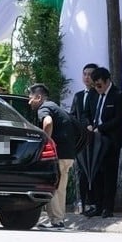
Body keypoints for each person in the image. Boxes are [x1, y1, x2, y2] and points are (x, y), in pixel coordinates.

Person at [28, 83, 76, 229]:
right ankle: (59, 220)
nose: (29, 102)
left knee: (52, 186)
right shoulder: (55, 107)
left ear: (38, 97)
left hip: (58, 154)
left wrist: (45, 141)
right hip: (68, 154)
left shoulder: (44, 108)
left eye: (30, 98)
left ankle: (55, 220)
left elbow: (48, 122)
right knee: (60, 188)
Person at [87, 67, 122, 218]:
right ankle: (97, 205)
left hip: (111, 140)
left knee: (109, 174)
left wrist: (101, 128)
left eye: (99, 85)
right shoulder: (94, 94)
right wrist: (89, 125)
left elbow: (119, 119)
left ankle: (108, 207)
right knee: (96, 173)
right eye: (95, 85)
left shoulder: (118, 95)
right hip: (95, 139)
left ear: (107, 81)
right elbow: (87, 113)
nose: (97, 88)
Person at [69, 63, 98, 216]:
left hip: (95, 139)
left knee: (95, 171)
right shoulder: (78, 95)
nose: (87, 77)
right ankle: (83, 202)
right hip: (81, 141)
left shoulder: (98, 94)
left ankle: (95, 202)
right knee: (82, 172)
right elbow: (73, 115)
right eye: (84, 74)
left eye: (90, 74)